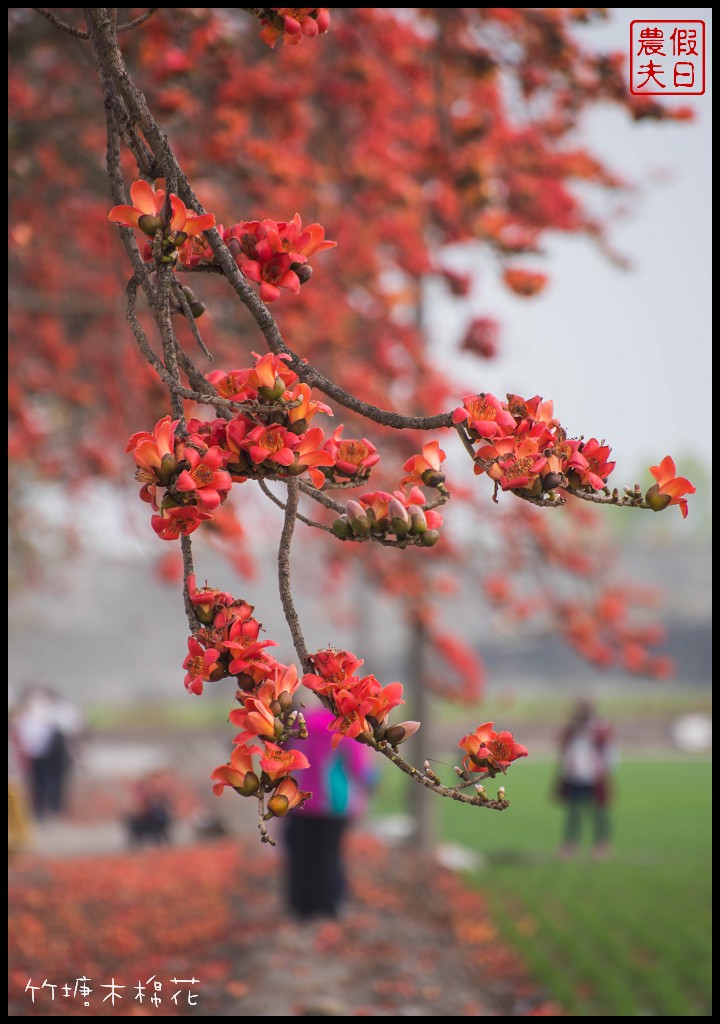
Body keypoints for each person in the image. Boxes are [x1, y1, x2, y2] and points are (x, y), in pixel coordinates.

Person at [283, 705, 377, 921]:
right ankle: (328, 906)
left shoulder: (301, 722)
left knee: (301, 855)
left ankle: (300, 906)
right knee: (329, 855)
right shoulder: (347, 726)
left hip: (298, 800)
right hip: (334, 805)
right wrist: (371, 782)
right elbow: (359, 767)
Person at [555, 697, 616, 860]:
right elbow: (565, 749)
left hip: (594, 776)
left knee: (599, 812)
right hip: (575, 776)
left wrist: (605, 769)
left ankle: (601, 844)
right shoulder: (572, 728)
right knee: (573, 812)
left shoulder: (599, 727)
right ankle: (570, 845)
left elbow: (608, 750)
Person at [11, 685, 83, 821]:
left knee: (52, 781)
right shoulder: (32, 713)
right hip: (36, 753)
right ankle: (40, 810)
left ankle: (52, 809)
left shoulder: (57, 710)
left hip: (52, 751)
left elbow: (70, 730)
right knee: (38, 782)